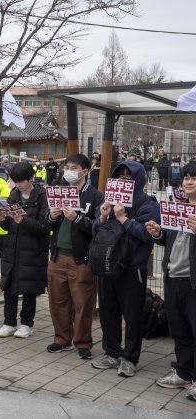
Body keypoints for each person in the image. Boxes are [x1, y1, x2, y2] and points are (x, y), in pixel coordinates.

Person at [91, 160, 160, 377]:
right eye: (120, 176)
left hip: (132, 269)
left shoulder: (147, 204)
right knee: (108, 312)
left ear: (138, 179)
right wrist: (103, 216)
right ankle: (111, 352)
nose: (123, 180)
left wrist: (122, 218)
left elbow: (147, 235)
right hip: (108, 265)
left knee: (132, 316)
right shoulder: (109, 200)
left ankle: (130, 358)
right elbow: (95, 229)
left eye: (128, 177)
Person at [146, 161, 196, 401]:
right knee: (180, 330)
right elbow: (167, 238)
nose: (189, 182)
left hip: (193, 282)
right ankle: (184, 373)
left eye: (194, 178)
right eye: (186, 177)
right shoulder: (179, 208)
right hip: (173, 277)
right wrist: (157, 232)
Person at [46, 154, 103, 360]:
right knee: (58, 301)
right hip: (57, 256)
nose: (68, 171)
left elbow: (99, 227)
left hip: (82, 259)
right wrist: (51, 216)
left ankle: (83, 342)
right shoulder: (59, 190)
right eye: (67, 167)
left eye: (74, 168)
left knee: (83, 303)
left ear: (85, 171)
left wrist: (77, 218)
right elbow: (47, 223)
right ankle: (62, 338)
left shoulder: (95, 197)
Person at [0, 162, 50, 338]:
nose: (18, 185)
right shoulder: (14, 195)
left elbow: (45, 226)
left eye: (21, 181)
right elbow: (8, 226)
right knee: (9, 287)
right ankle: (9, 322)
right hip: (12, 248)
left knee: (29, 289)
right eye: (15, 181)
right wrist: (1, 218)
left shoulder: (42, 196)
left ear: (31, 178)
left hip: (33, 251)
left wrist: (23, 221)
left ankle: (26, 324)